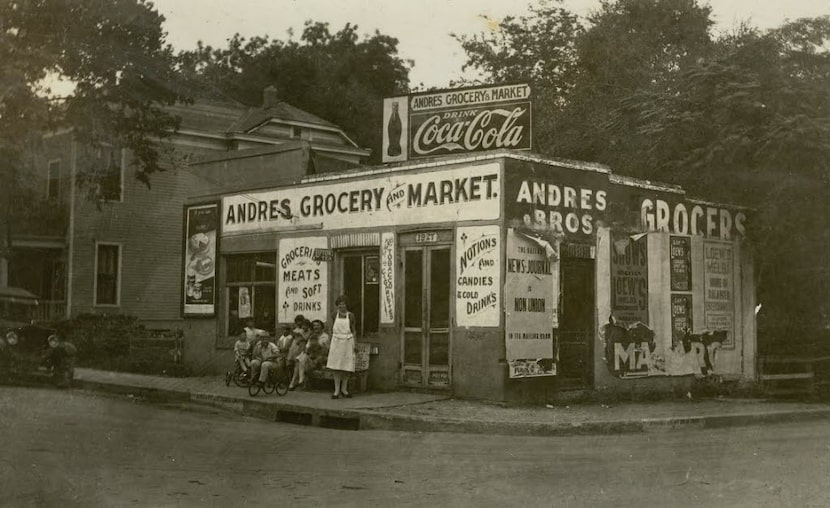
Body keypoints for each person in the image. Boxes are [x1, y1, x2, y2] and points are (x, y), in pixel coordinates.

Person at [326, 295, 356, 399]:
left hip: (348, 341)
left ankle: (344, 389)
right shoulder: (334, 314)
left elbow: (353, 330)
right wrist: (330, 342)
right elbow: (330, 329)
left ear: (347, 305)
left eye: (343, 304)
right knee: (336, 367)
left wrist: (355, 344)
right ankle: (336, 390)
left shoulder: (351, 315)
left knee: (346, 367)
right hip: (336, 342)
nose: (341, 306)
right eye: (339, 304)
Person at [289, 320, 329, 390]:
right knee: (302, 357)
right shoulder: (312, 336)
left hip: (319, 360)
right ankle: (300, 380)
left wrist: (309, 348)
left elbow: (319, 346)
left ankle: (294, 382)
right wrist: (307, 350)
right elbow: (307, 347)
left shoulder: (325, 336)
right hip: (310, 359)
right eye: (314, 326)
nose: (316, 327)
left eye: (318, 325)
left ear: (321, 327)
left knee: (299, 360)